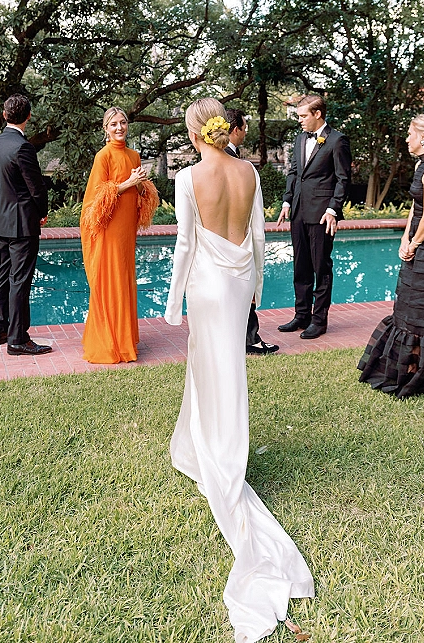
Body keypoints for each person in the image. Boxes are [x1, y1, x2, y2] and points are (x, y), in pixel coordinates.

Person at [165, 98, 314, 642]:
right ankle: (207, 445)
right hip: (237, 282)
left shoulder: (187, 178)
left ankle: (219, 457)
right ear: (223, 128)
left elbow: (185, 243)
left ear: (194, 133)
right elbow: (258, 238)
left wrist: (173, 302)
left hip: (206, 285)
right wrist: (254, 290)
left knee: (210, 366)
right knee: (228, 369)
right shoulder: (249, 171)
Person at [358, 115, 424, 398]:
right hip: (421, 238)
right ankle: (410, 365)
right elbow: (416, 207)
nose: (406, 139)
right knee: (411, 303)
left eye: (410, 134)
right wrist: (405, 238)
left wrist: (414, 243)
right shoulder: (422, 164)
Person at [80, 106, 159, 364]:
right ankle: (110, 342)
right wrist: (127, 183)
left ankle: (125, 340)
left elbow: (142, 193)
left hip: (126, 230)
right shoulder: (102, 157)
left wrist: (141, 184)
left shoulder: (134, 156)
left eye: (122, 122)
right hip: (110, 229)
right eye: (113, 124)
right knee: (110, 279)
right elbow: (96, 200)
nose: (119, 128)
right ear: (106, 129)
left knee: (125, 279)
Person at [276, 95, 351, 339]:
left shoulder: (337, 140)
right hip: (298, 211)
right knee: (300, 267)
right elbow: (294, 172)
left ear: (317, 114)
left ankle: (319, 321)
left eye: (303, 115)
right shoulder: (300, 138)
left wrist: (333, 209)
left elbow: (343, 179)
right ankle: (301, 316)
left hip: (322, 215)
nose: (299, 120)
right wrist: (287, 201)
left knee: (321, 267)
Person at [0, 94, 52, 356]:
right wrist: (42, 213)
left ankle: (0, 330)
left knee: (2, 275)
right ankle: (17, 339)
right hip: (22, 223)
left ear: (4, 115)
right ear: (28, 116)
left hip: (1, 220)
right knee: (20, 280)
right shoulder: (23, 147)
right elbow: (36, 187)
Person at [226, 107, 279, 356]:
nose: (246, 133)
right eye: (244, 128)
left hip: (214, 240)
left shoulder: (206, 163)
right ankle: (250, 339)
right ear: (235, 130)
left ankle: (235, 338)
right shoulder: (242, 167)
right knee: (244, 287)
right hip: (239, 237)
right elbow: (253, 212)